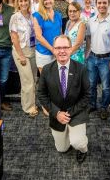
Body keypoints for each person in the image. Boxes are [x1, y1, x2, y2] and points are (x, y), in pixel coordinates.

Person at [37, 35, 90, 164]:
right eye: (58, 48)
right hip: (56, 114)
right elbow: (42, 94)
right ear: (54, 50)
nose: (62, 51)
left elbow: (87, 95)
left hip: (76, 112)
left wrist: (70, 113)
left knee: (78, 143)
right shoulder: (46, 70)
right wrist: (56, 113)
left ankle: (83, 149)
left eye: (65, 47)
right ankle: (67, 132)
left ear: (71, 49)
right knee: (62, 149)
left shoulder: (81, 68)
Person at [9, 0, 39, 117]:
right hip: (20, 51)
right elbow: (14, 38)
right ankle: (29, 107)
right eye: (20, 1)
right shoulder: (14, 17)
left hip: (33, 50)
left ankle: (30, 101)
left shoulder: (34, 16)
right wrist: (21, 55)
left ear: (29, 1)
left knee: (33, 78)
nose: (23, 3)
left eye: (25, 0)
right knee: (28, 80)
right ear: (17, 2)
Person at [86, 0, 110, 120]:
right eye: (99, 3)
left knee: (106, 86)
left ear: (109, 4)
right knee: (91, 84)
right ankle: (92, 104)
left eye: (104, 3)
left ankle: (103, 107)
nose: (102, 5)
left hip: (107, 58)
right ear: (96, 4)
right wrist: (87, 54)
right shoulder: (91, 20)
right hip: (92, 57)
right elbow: (88, 38)